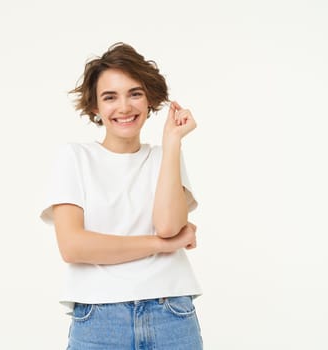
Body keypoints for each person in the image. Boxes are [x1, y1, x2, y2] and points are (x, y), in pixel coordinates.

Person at [40, 42, 203, 349]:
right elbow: (74, 246)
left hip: (171, 314)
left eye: (135, 93)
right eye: (110, 97)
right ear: (94, 107)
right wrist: (162, 245)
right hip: (100, 320)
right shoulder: (74, 158)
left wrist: (172, 142)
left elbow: (168, 225)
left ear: (150, 99)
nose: (125, 107)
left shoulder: (164, 157)